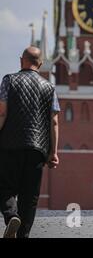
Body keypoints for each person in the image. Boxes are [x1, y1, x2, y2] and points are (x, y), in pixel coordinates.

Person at [0, 46, 60, 238]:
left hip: (9, 145)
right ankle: (23, 234)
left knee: (4, 186)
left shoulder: (9, 80)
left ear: (21, 61)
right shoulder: (49, 88)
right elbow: (55, 121)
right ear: (40, 64)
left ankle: (11, 216)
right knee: (30, 195)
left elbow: (2, 113)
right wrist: (54, 153)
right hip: (38, 148)